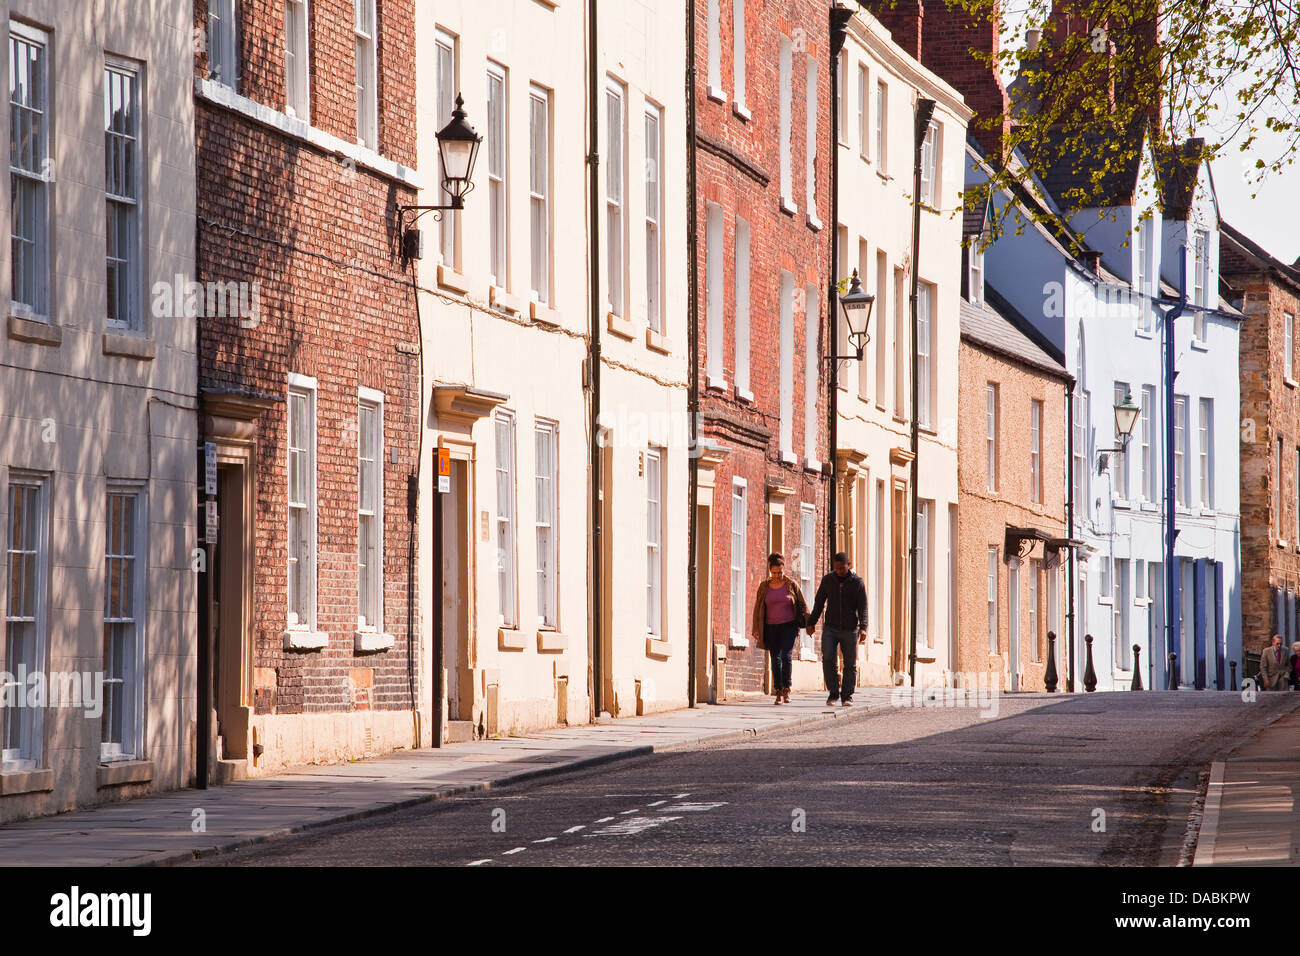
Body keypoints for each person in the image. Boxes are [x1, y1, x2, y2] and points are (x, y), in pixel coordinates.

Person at [806, 552, 868, 707]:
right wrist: (811, 622)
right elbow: (819, 603)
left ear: (849, 565)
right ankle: (833, 693)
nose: (839, 571)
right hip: (831, 628)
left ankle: (847, 696)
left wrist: (863, 627)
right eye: (836, 568)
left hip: (850, 629)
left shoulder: (857, 583)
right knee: (828, 659)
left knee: (850, 664)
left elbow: (863, 607)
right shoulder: (828, 580)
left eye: (842, 568)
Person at [751, 553, 808, 705]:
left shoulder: (791, 584)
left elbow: (802, 604)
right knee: (775, 658)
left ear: (784, 569)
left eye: (780, 572)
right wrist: (756, 628)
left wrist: (809, 624)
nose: (777, 575)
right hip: (770, 627)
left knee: (786, 656)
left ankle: (787, 689)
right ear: (770, 571)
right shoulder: (764, 586)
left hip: (789, 625)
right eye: (774, 573)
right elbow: (758, 609)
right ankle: (778, 690)